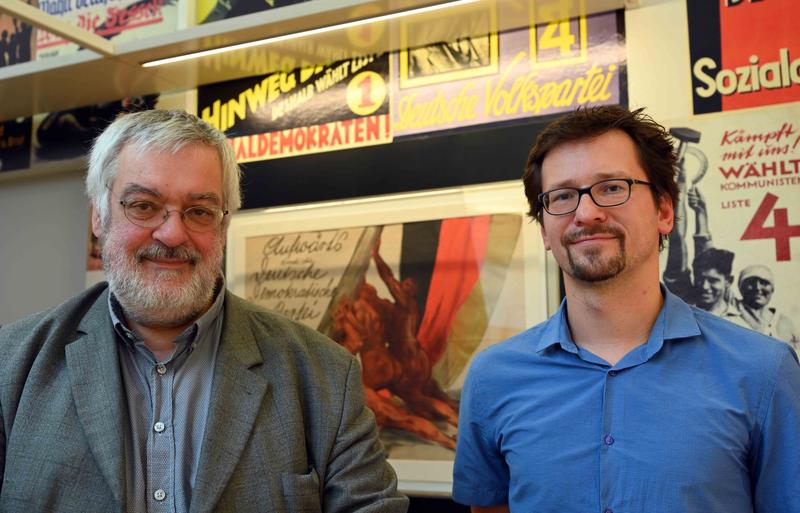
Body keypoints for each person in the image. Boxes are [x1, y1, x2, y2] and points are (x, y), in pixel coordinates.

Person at [0, 109, 408, 513]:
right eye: (143, 205)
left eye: (199, 211)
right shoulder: (10, 366)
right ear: (99, 215)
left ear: (223, 225)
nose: (173, 233)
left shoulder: (324, 376)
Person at [452, 106, 800, 513]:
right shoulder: (494, 378)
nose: (586, 213)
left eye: (612, 187)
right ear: (545, 230)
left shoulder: (762, 373)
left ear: (664, 212)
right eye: (562, 196)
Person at [737, 265, 800, 351]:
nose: (758, 288)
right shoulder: (729, 316)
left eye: (764, 283)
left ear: (772, 289)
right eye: (751, 282)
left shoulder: (785, 323)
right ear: (741, 288)